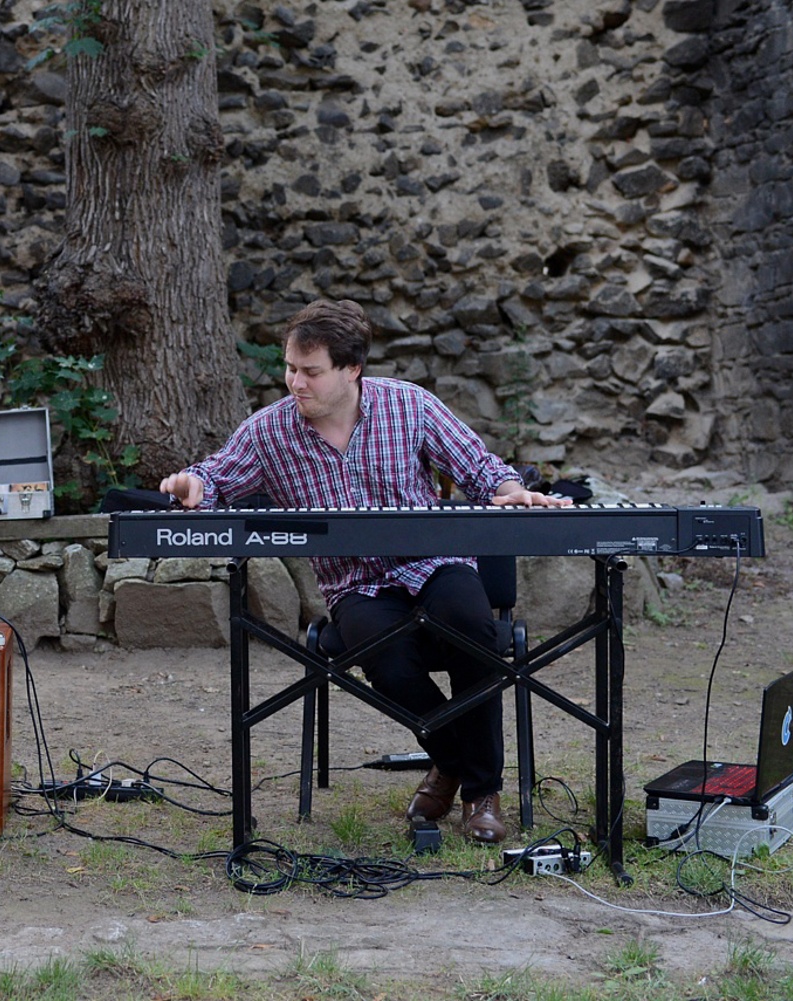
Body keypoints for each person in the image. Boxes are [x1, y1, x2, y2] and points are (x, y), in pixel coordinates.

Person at [158, 298, 570, 843]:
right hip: (356, 585)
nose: (295, 382)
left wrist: (512, 490)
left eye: (310, 371)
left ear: (352, 368)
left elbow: (481, 467)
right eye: (290, 368)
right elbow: (215, 478)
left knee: (471, 627)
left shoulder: (410, 405)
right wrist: (193, 486)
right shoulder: (268, 431)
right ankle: (452, 761)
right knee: (385, 657)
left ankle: (482, 793)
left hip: (435, 565)